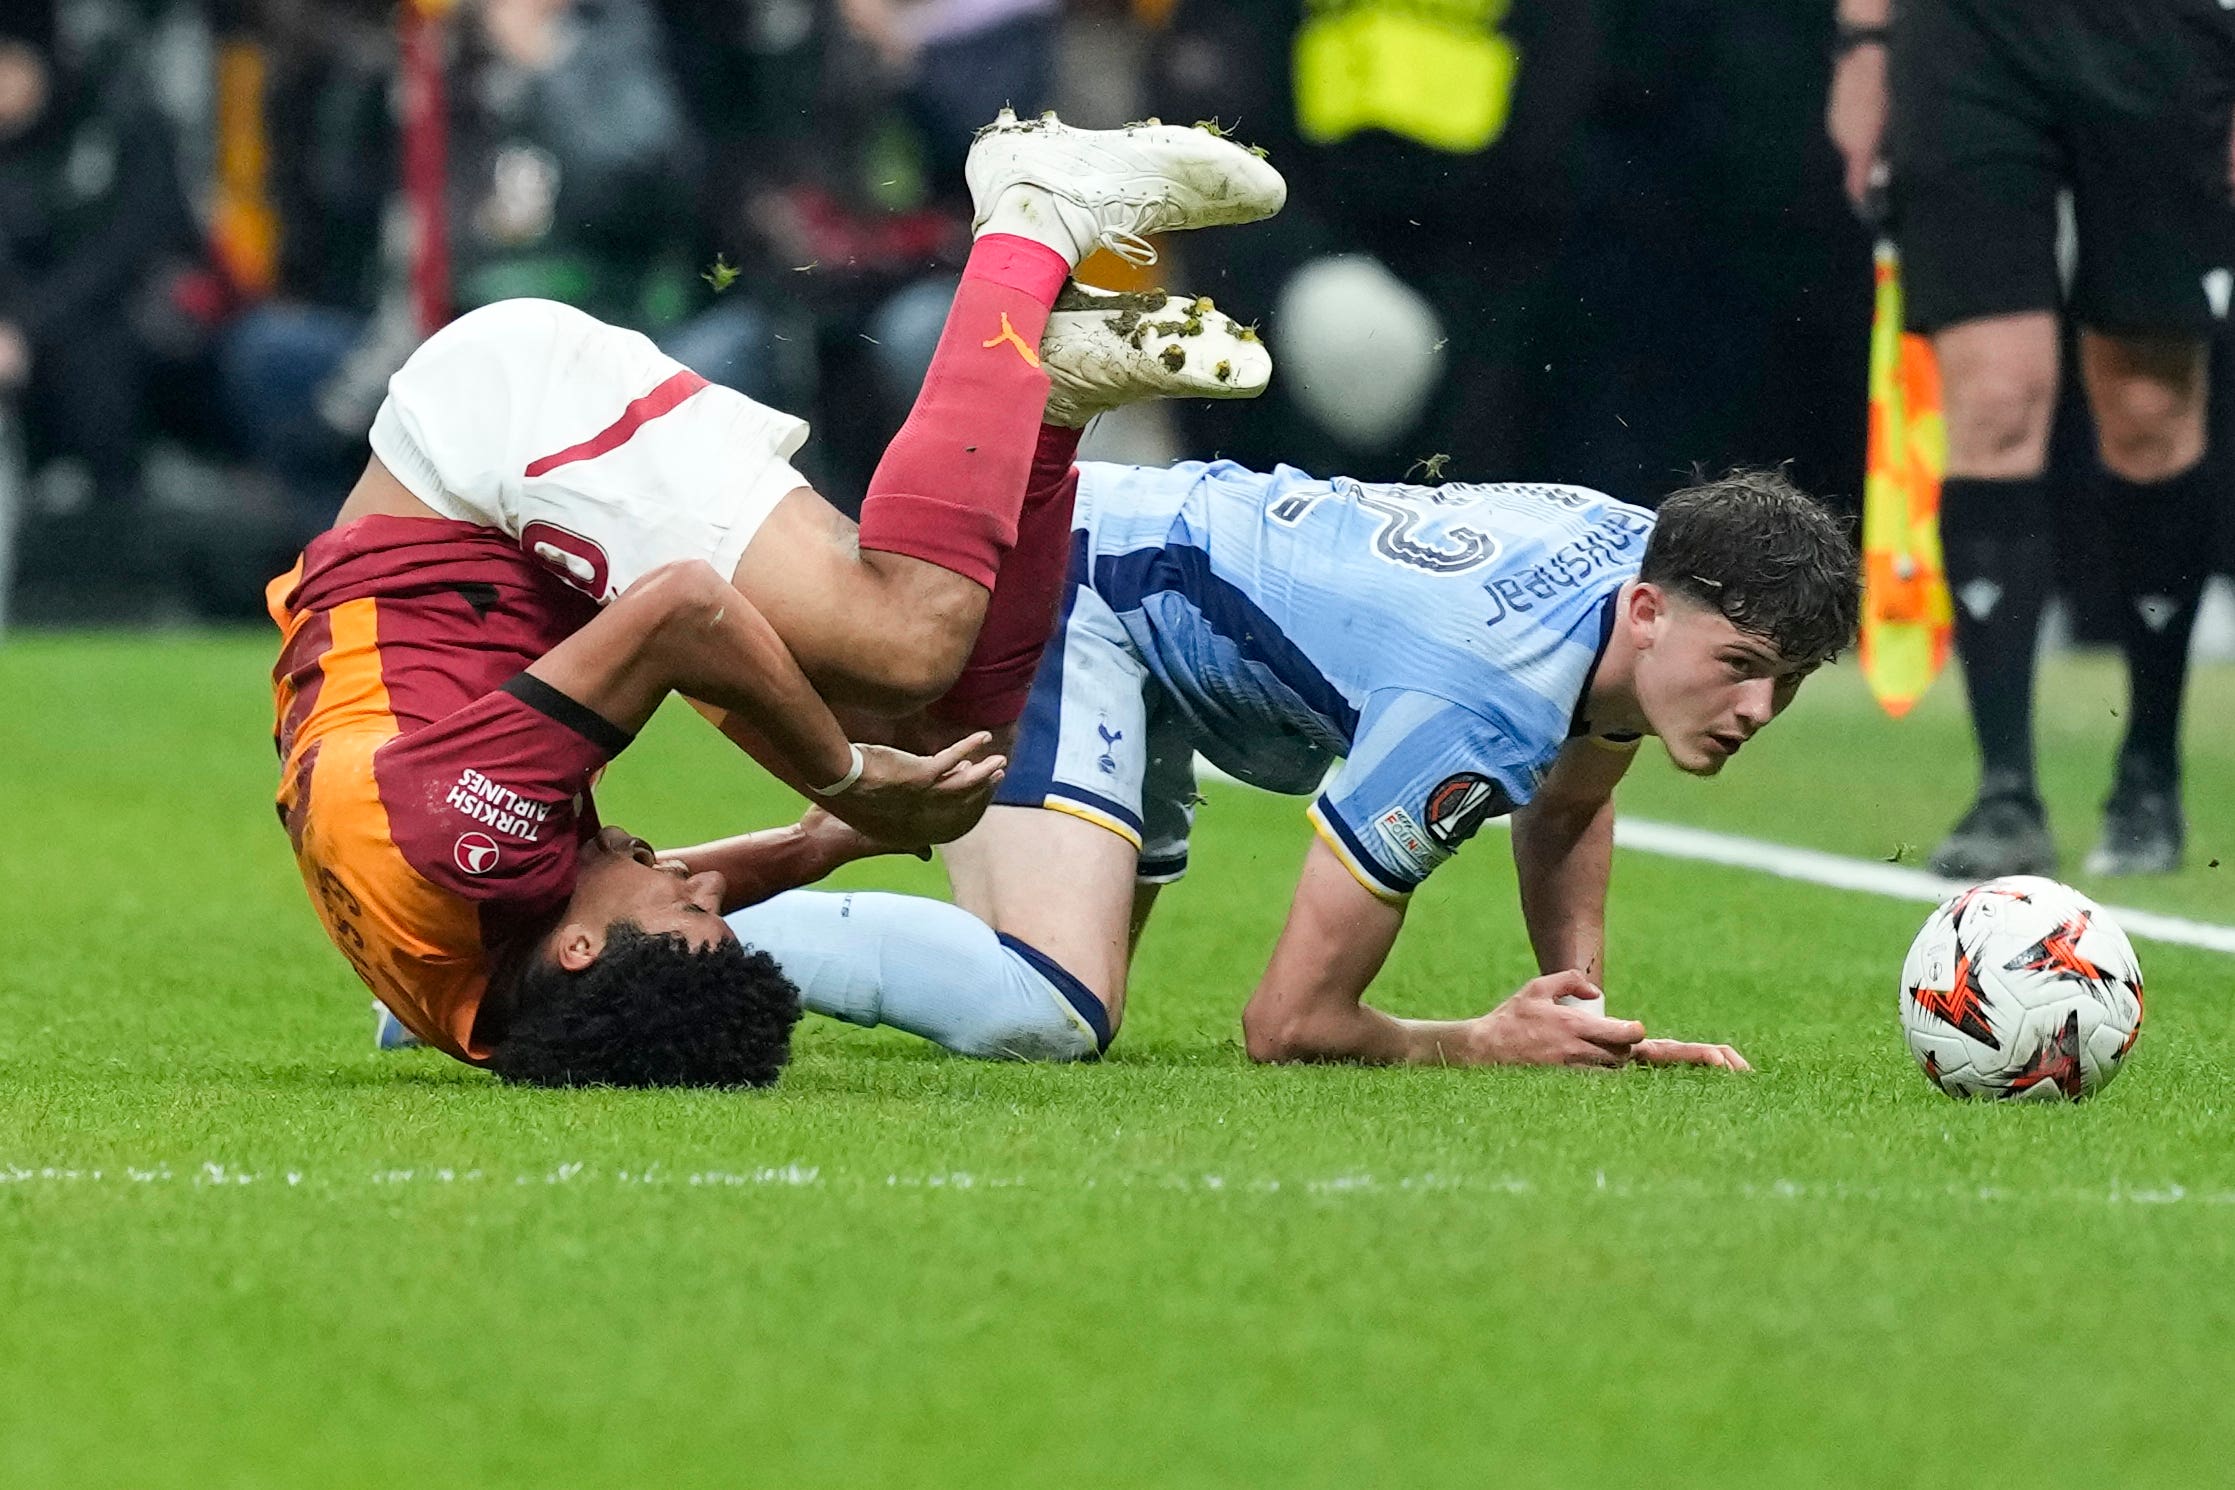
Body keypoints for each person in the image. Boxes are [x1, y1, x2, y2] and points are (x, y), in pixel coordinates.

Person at [276, 109, 1284, 1085]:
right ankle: (1042, 395)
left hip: (483, 451)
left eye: (688, 905)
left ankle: (1034, 211)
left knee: (905, 637)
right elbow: (618, 880)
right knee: (949, 741)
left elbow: (683, 610)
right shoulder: (496, 1012)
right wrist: (826, 836)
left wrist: (844, 779)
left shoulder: (451, 847)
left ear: (580, 949)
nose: (698, 880)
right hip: (518, 546)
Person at [720, 461, 1859, 1070]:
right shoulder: (1479, 698)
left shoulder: (1634, 569)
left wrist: (1582, 1006)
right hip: (1087, 587)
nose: (1759, 708)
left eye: (1790, 681)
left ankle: (664, 884)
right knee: (1049, 1005)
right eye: (1743, 664)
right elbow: (1288, 1024)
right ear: (1651, 612)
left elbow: (1570, 799)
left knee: (997, 867)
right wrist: (1481, 1042)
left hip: (1132, 571)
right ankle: (660, 943)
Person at [1827, 0, 2235, 877]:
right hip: (1968, 36)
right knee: (1995, 398)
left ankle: (2149, 773)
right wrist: (1864, 44)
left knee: (2148, 409)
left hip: (2169, 34)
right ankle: (2004, 789)